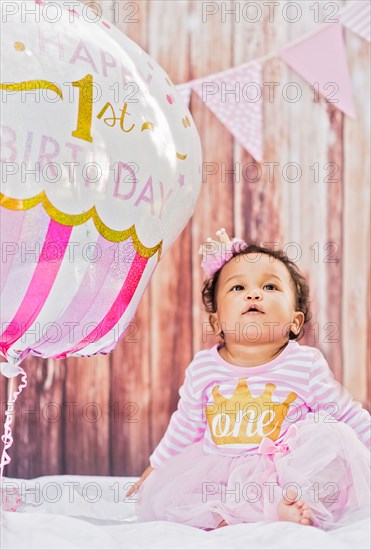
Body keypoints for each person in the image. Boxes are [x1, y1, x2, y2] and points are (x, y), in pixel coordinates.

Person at [127, 229, 371, 530]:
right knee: (177, 499)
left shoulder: (303, 363)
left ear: (294, 321)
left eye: (270, 286)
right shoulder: (204, 367)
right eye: (238, 287)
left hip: (281, 472)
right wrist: (155, 468)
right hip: (221, 474)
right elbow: (186, 426)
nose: (253, 294)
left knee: (330, 438)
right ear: (217, 322)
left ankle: (288, 505)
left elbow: (346, 413)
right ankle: (226, 518)